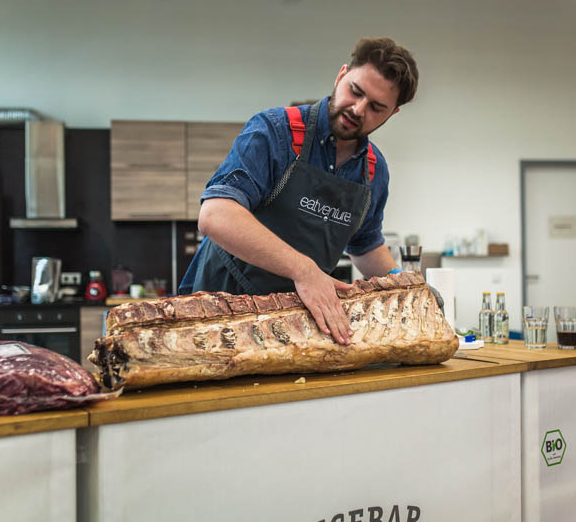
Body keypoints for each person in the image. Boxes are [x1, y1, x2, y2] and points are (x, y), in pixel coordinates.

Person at [179, 37, 419, 346]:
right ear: (341, 75)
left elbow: (366, 247)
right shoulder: (274, 132)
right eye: (355, 91)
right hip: (218, 316)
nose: (358, 109)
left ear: (392, 114)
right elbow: (216, 215)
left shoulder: (373, 170)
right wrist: (305, 270)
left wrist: (406, 286)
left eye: (376, 107)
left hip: (296, 331)